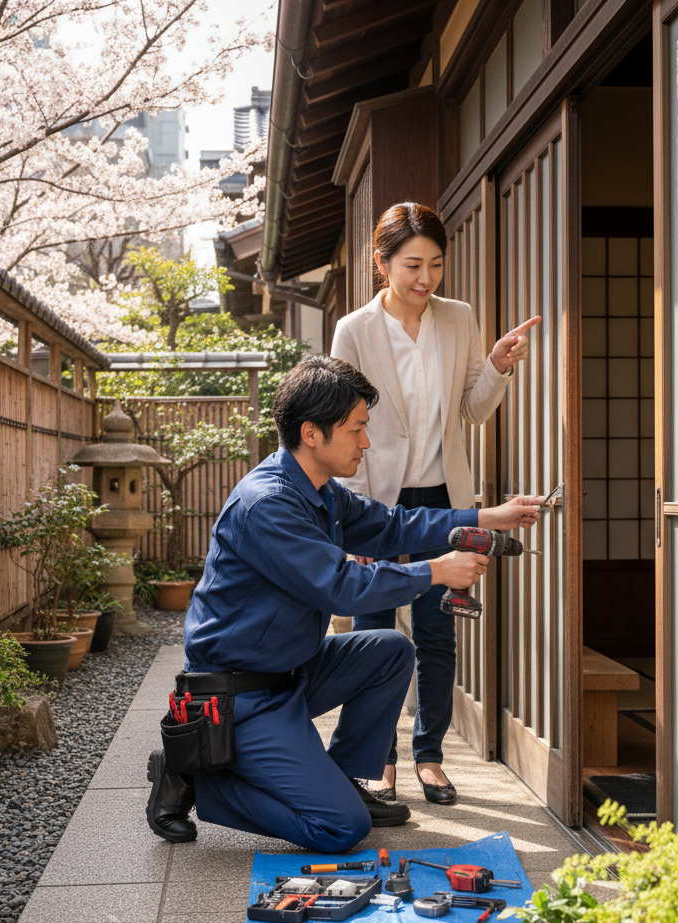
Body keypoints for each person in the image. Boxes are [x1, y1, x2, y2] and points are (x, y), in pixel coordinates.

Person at [145, 355, 542, 854]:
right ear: (312, 433)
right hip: (239, 697)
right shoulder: (266, 505)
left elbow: (393, 526)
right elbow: (343, 586)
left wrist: (489, 515)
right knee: (341, 828)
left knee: (391, 650)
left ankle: (341, 776)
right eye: (356, 430)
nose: (366, 442)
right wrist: (437, 571)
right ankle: (197, 776)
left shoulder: (322, 493)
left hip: (293, 672)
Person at [331, 201, 541, 805]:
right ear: (382, 263)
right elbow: (344, 422)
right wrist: (352, 510)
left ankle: (429, 756)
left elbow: (472, 410)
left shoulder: (459, 319)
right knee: (372, 634)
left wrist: (498, 367)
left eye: (436, 265)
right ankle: (377, 759)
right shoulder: (355, 330)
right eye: (412, 265)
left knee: (436, 635)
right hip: (377, 503)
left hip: (443, 500)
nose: (425, 279)